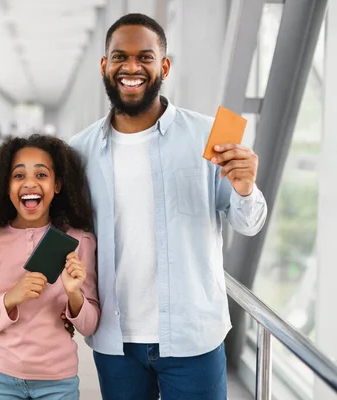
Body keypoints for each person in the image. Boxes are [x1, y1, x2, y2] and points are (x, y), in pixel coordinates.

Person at [68, 13, 268, 400]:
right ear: (104, 65)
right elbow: (65, 233)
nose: (131, 67)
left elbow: (250, 223)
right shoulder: (78, 150)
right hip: (115, 340)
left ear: (164, 66)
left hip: (194, 337)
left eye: (144, 57)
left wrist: (246, 189)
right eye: (119, 57)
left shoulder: (211, 135)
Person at [0, 134, 100, 400]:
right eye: (18, 176)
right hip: (0, 378)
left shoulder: (79, 242)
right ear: (6, 186)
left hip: (58, 381)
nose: (29, 183)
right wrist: (12, 298)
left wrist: (74, 295)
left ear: (57, 185)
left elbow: (90, 325)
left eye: (41, 175)